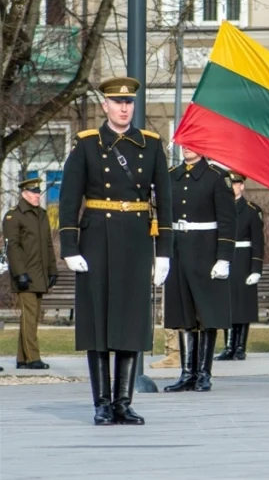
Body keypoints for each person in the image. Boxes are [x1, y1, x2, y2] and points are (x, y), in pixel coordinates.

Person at [57, 77, 172, 425]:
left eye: (129, 102)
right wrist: (69, 245)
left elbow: (165, 202)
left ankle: (123, 401)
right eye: (117, 102)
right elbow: (68, 199)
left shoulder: (151, 145)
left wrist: (163, 251)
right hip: (97, 239)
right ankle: (101, 403)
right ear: (105, 105)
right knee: (98, 322)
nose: (124, 108)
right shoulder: (87, 145)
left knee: (131, 321)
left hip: (137, 239)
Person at [163, 148, 236, 392]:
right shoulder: (172, 175)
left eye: (191, 142)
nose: (186, 147)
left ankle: (204, 373)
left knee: (206, 315)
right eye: (183, 142)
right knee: (184, 315)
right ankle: (187, 373)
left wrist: (223, 257)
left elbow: (227, 221)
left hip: (206, 252)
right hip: (179, 250)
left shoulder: (217, 176)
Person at [4, 177, 59, 370]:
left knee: (32, 317)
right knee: (29, 315)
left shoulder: (42, 215)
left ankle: (22, 358)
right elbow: (13, 247)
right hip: (25, 275)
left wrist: (53, 270)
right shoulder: (14, 216)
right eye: (33, 193)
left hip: (39, 274)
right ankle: (32, 358)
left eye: (38, 192)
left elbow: (48, 245)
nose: (37, 196)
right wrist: (20, 273)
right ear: (24, 194)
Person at [215, 172, 264, 361]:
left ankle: (240, 347)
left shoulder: (252, 210)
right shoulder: (221, 209)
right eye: (230, 184)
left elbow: (258, 243)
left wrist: (256, 269)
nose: (233, 187)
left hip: (243, 260)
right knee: (228, 305)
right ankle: (228, 346)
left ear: (242, 186)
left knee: (243, 306)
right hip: (226, 259)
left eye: (236, 184)